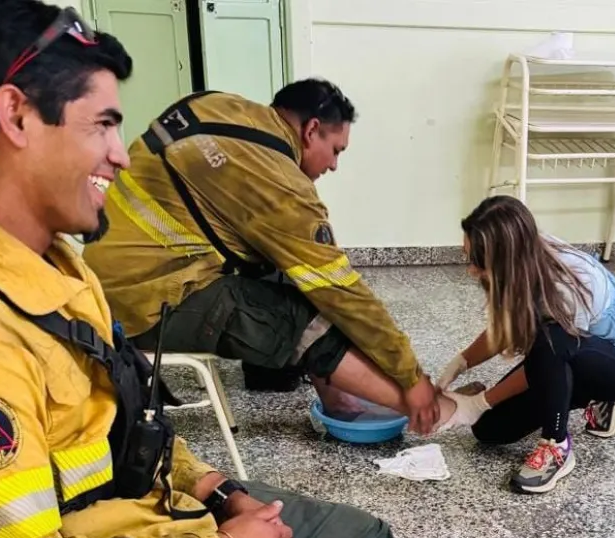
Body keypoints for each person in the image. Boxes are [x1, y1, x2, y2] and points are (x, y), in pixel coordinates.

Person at [0, 3, 615, 538]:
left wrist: (213, 488)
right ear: (16, 116)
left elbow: (128, 426)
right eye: (103, 125)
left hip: (149, 521)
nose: (120, 153)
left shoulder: (64, 274)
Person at [81, 74, 453, 434]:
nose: (334, 165)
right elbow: (341, 290)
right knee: (304, 317)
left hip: (104, 278)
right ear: (311, 130)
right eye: (335, 150)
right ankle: (423, 409)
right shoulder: (279, 184)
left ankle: (292, 379)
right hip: (143, 302)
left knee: (290, 271)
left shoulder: (214, 105)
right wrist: (411, 379)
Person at [435, 196, 615, 494]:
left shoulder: (566, 283)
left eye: (477, 261)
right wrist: (459, 364)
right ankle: (593, 397)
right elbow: (507, 326)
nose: (471, 270)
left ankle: (556, 446)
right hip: (575, 354)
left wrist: (479, 402)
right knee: (489, 429)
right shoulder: (522, 257)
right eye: (469, 257)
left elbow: (548, 357)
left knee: (549, 340)